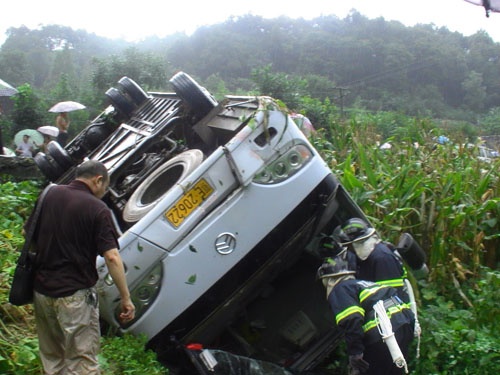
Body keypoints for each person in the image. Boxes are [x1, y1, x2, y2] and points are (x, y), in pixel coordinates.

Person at [27, 160, 135, 374]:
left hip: (42, 291)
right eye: (104, 188)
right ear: (98, 180)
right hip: (74, 297)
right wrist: (125, 298)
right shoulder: (98, 209)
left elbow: (28, 235)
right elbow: (112, 257)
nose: (103, 193)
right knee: (82, 361)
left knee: (52, 358)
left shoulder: (49, 194)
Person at [317, 252, 415, 375]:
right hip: (403, 325)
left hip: (382, 335)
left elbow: (351, 318)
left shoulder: (340, 288)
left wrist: (356, 353)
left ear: (328, 279)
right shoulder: (362, 284)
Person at [337, 218, 409, 303]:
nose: (348, 249)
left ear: (357, 243)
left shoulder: (382, 258)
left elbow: (391, 296)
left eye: (349, 246)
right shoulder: (364, 257)